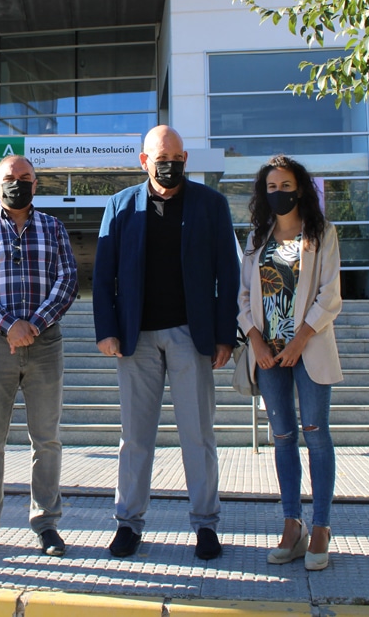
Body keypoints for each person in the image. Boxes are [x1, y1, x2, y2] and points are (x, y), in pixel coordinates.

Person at [92, 125, 238, 561]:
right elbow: (103, 274)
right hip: (136, 340)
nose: (169, 164)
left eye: (176, 156)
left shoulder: (211, 205)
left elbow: (227, 274)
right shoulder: (120, 207)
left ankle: (206, 526)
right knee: (135, 438)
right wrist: (106, 329)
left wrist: (223, 334)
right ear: (144, 161)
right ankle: (128, 524)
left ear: (186, 159)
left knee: (199, 436)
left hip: (191, 337)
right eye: (160, 157)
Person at [0, 154, 78, 559]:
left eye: (25, 178)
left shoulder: (53, 228)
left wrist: (35, 324)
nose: (18, 183)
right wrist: (10, 325)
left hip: (45, 345)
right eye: (10, 178)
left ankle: (46, 524)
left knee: (46, 440)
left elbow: (67, 280)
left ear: (36, 184)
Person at [237, 154, 342, 572]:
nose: (279, 193)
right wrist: (256, 340)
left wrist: (300, 339)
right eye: (272, 187)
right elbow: (244, 297)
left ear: (301, 189)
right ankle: (291, 525)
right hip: (268, 354)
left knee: (316, 434)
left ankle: (321, 527)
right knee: (282, 437)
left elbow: (331, 295)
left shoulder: (322, 233)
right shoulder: (256, 237)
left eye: (286, 186)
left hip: (308, 347)